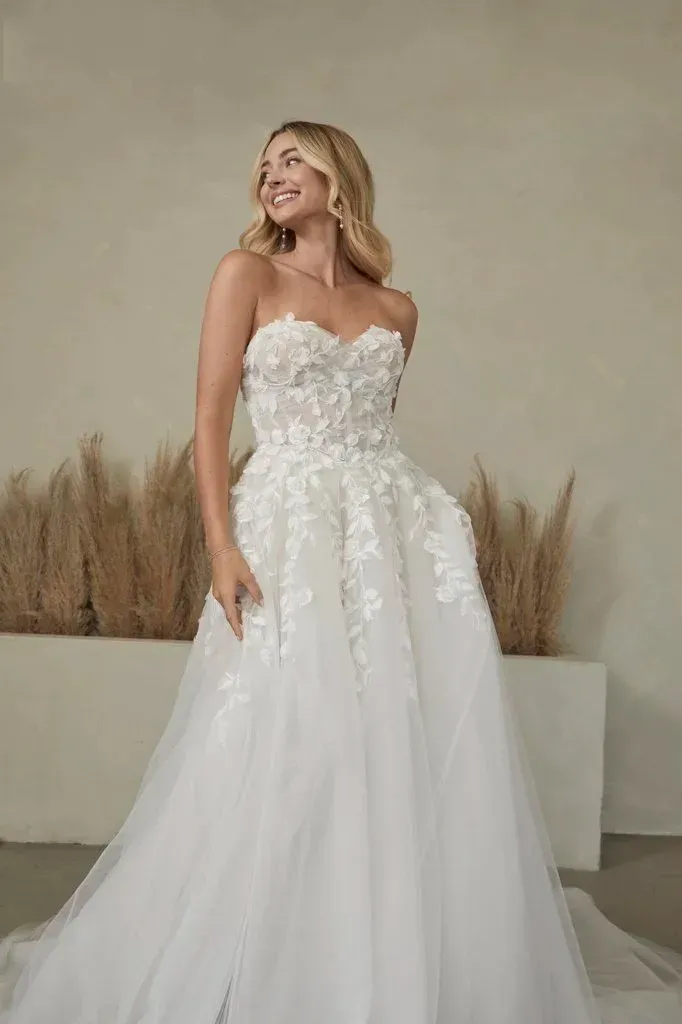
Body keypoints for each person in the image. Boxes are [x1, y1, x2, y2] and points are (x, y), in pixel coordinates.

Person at [1, 119, 681, 1023]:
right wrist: (221, 547)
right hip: (287, 526)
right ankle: (267, 950)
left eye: (293, 159)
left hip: (392, 532)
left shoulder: (398, 308)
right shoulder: (244, 274)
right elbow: (210, 419)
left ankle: (379, 953)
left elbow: (374, 432)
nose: (272, 175)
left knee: (391, 734)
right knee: (288, 730)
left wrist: (432, 534)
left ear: (338, 176)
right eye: (264, 165)